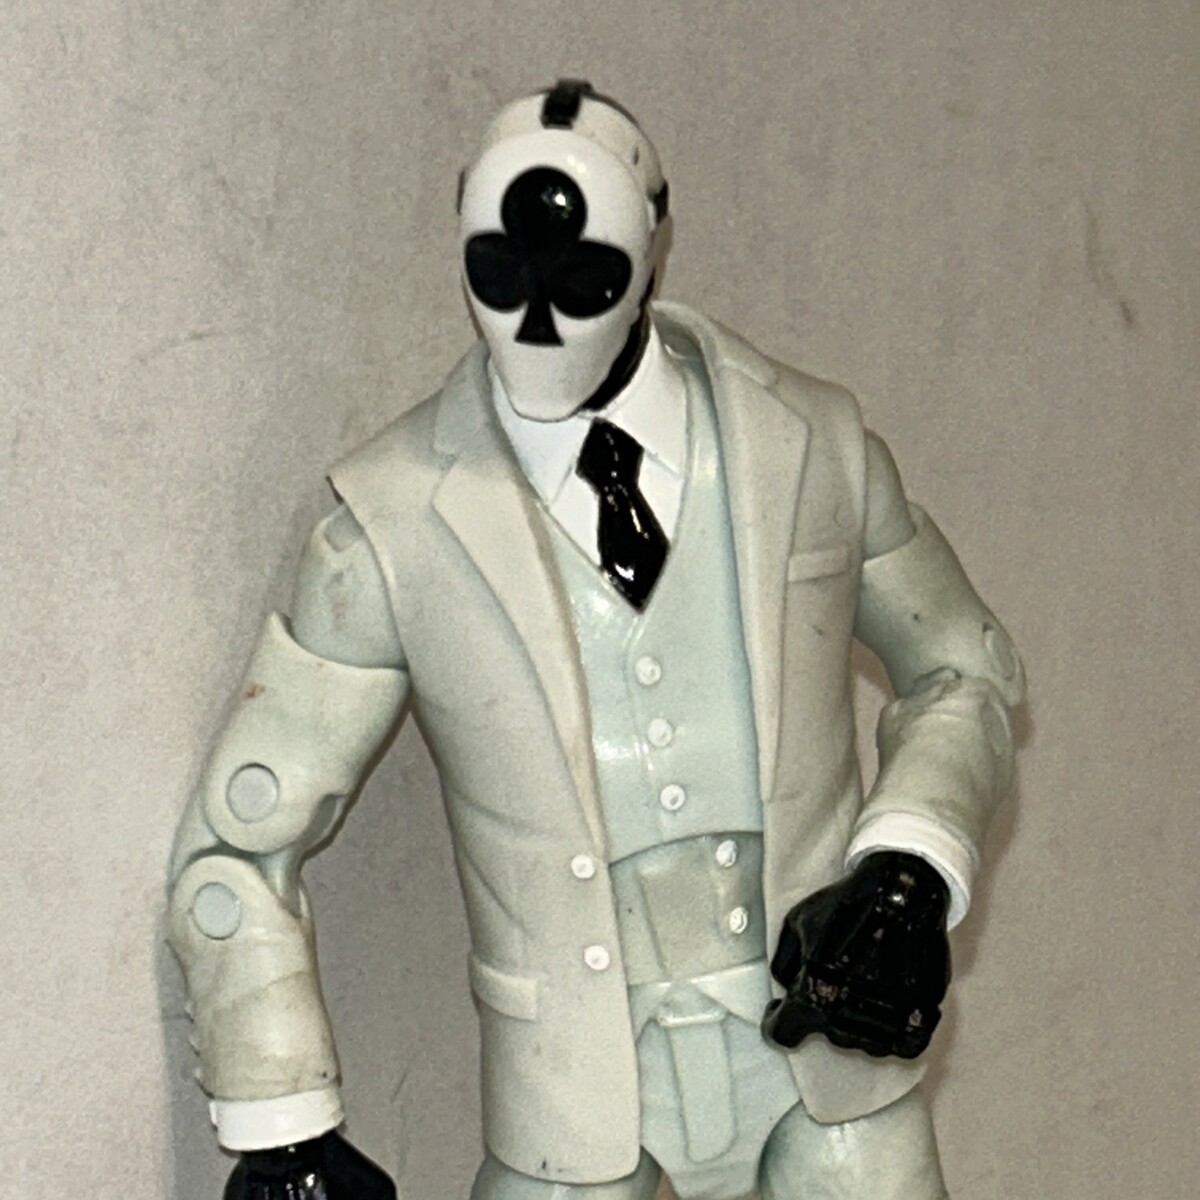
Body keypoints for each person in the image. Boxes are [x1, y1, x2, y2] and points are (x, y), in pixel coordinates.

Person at [168, 80, 1025, 1200]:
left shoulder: (811, 447)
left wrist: (909, 861)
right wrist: (284, 1125)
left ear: (651, 248)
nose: (538, 321)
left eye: (581, 280)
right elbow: (237, 849)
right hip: (569, 1097)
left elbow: (961, 662)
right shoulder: (388, 527)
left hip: (827, 1055)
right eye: (502, 274)